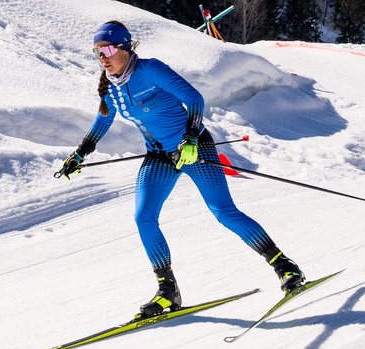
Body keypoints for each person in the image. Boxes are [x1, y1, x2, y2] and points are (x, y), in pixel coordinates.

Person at [55, 20, 304, 318]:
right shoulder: (110, 86)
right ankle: (168, 292)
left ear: (124, 47)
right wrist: (80, 153)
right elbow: (104, 121)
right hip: (159, 156)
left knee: (224, 212)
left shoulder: (150, 70)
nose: (103, 57)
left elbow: (194, 99)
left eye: (107, 49)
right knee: (143, 218)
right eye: (97, 52)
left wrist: (190, 139)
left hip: (194, 148)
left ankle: (284, 266)